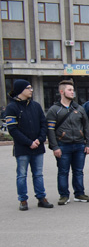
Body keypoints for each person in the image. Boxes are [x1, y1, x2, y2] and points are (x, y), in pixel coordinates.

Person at [4, 79, 54, 210]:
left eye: (31, 87)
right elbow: (13, 130)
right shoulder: (11, 107)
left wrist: (40, 139)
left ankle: (41, 198)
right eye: (28, 88)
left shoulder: (36, 106)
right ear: (21, 90)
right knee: (22, 175)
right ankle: (23, 200)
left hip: (38, 147)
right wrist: (29, 142)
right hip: (23, 148)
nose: (31, 90)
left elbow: (43, 124)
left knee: (38, 174)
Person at [46, 80, 89, 204]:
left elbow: (87, 127)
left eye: (73, 90)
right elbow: (50, 130)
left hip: (79, 144)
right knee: (63, 172)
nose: (73, 92)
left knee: (78, 171)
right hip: (63, 145)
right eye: (69, 90)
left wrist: (88, 144)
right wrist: (55, 147)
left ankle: (79, 194)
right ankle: (64, 195)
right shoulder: (54, 110)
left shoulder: (79, 108)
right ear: (62, 92)